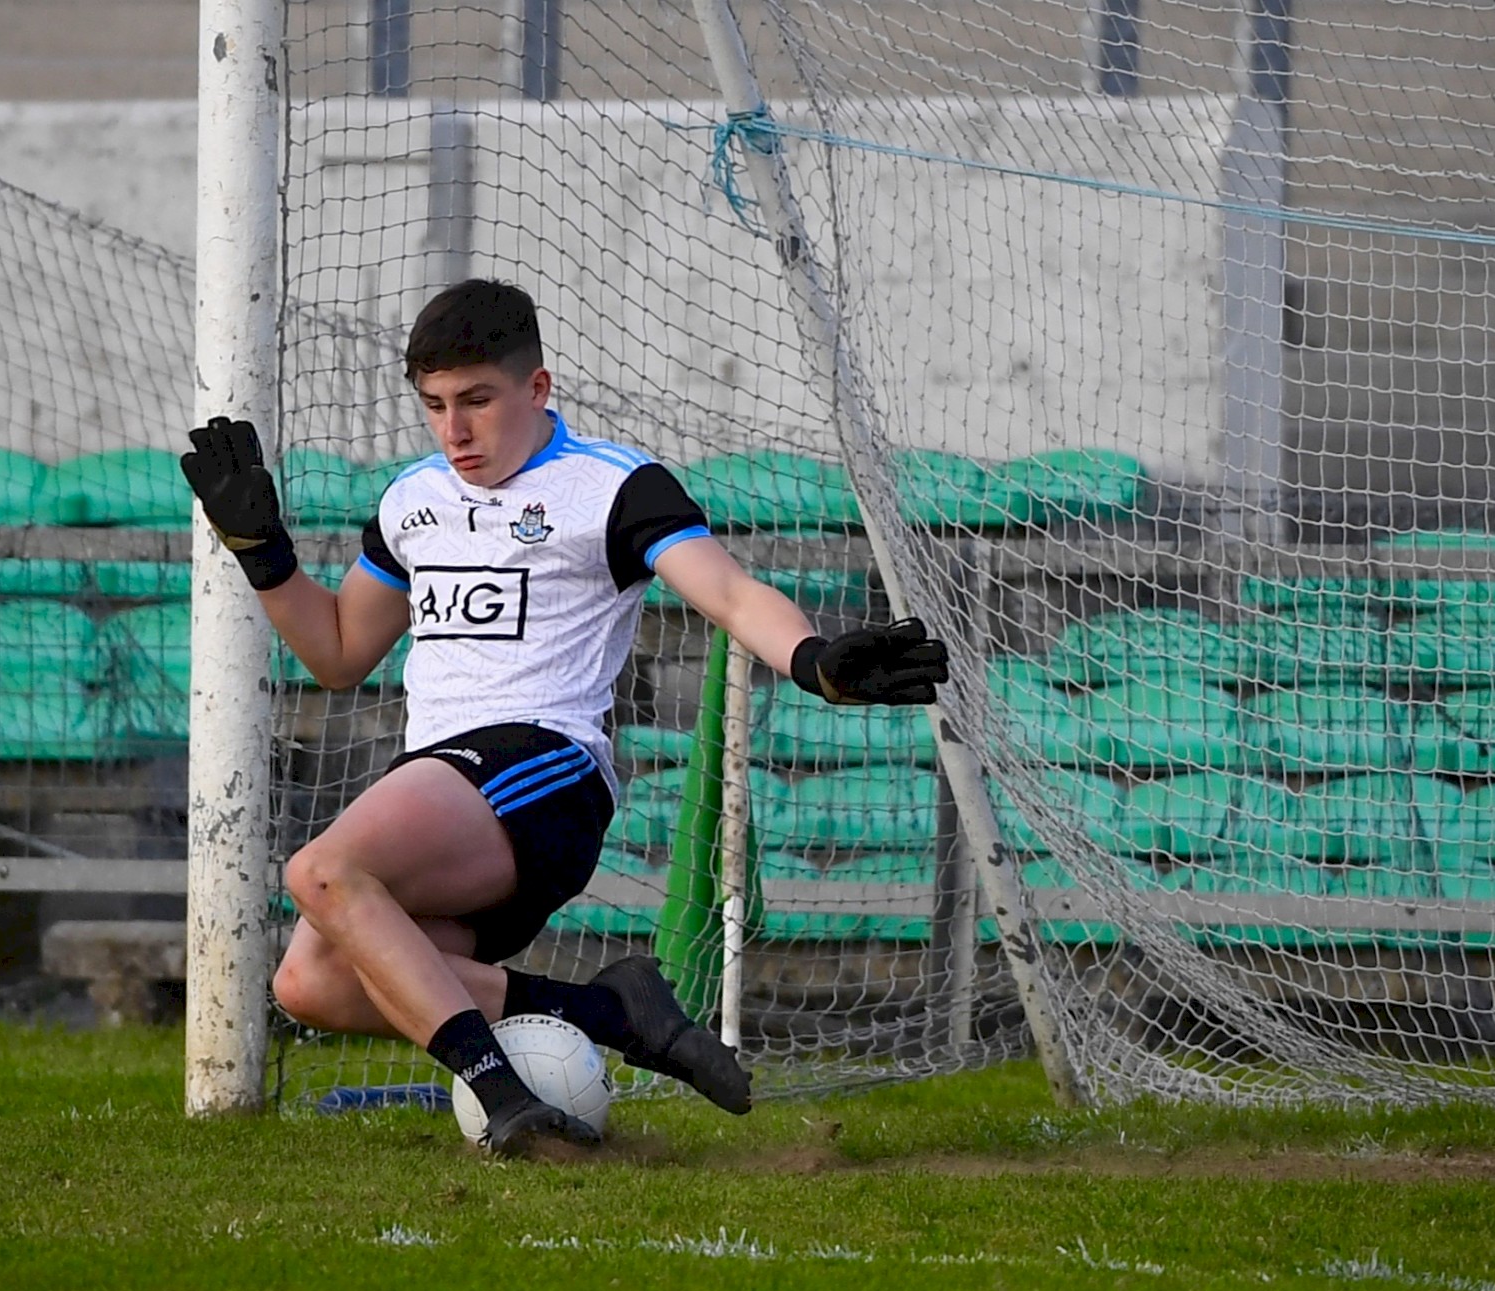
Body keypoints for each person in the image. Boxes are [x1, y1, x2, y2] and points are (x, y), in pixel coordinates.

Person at [180, 279, 947, 1157]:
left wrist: (812, 660)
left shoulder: (611, 487)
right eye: (433, 405)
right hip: (442, 787)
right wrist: (263, 554)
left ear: (537, 389)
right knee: (309, 981)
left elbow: (729, 592)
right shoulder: (412, 500)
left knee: (319, 869)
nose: (454, 430)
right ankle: (611, 1009)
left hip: (545, 770)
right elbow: (340, 651)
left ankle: (503, 1098)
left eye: (476, 400)